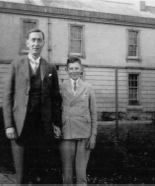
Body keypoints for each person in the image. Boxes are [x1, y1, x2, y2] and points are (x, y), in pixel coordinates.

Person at [3, 28, 62, 184]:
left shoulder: (50, 68)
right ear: (27, 43)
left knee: (40, 172)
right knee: (22, 174)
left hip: (43, 128)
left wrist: (56, 124)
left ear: (43, 43)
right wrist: (9, 125)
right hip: (21, 126)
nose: (36, 43)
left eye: (39, 40)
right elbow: (7, 96)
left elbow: (56, 99)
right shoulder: (16, 65)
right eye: (33, 40)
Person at [57, 56, 97, 185]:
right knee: (67, 173)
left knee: (81, 174)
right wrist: (56, 126)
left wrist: (93, 136)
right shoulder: (61, 87)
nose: (74, 71)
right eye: (71, 69)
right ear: (66, 70)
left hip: (84, 133)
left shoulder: (88, 88)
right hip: (66, 132)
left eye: (77, 68)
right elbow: (55, 110)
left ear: (82, 70)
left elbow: (93, 113)